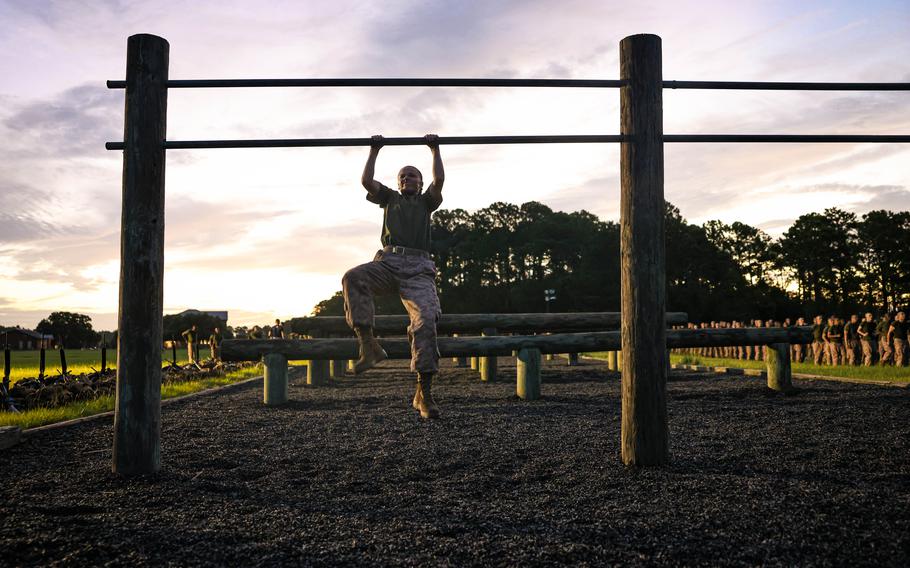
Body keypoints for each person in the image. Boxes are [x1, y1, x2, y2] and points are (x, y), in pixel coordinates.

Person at [342, 134, 445, 420]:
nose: (406, 179)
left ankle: (424, 391)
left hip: (418, 268)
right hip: (387, 262)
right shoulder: (389, 198)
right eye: (402, 176)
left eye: (412, 176)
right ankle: (368, 345)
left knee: (425, 320)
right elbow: (366, 181)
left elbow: (439, 181)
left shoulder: (427, 202)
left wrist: (435, 150)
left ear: (420, 183)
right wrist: (375, 149)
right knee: (353, 277)